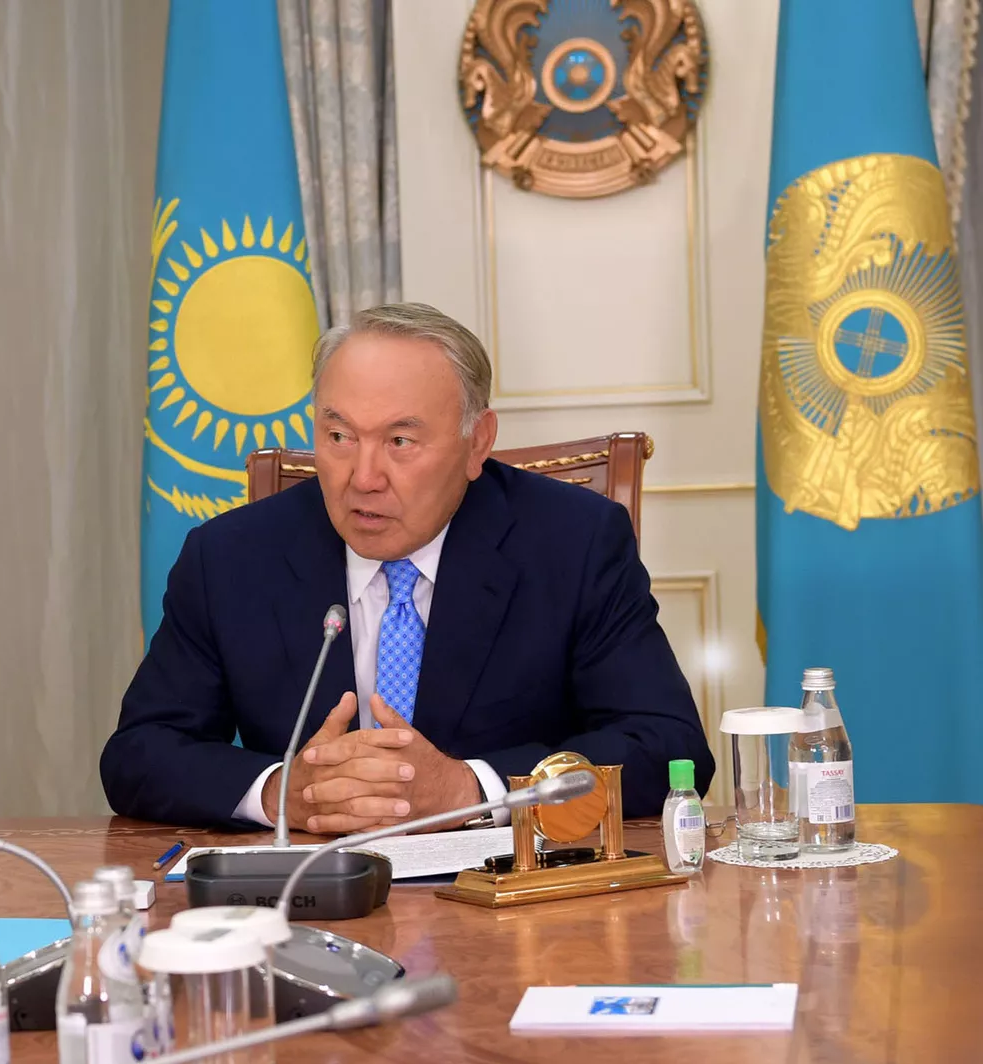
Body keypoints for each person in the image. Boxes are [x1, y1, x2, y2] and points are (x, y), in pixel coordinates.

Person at [101, 303, 713, 833]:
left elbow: (668, 747)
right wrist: (280, 792)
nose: (363, 478)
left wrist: (471, 790)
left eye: (400, 441)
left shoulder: (573, 543)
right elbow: (139, 753)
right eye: (339, 436)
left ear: (477, 443)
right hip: (310, 896)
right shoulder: (231, 557)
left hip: (511, 903)